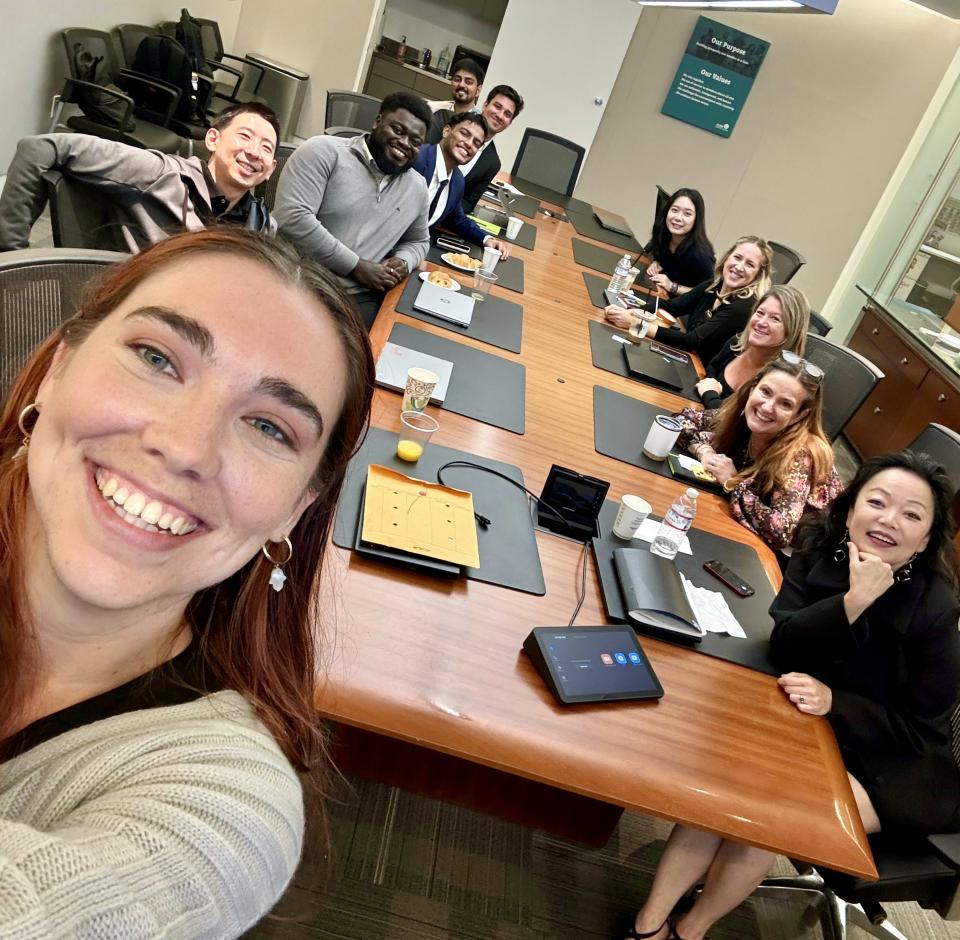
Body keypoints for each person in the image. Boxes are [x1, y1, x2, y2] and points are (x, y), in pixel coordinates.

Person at [0, 228, 374, 935]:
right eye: (155, 358)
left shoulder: (228, 802)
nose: (184, 447)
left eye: (270, 427)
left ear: (295, 509)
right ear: (57, 368)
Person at [625, 452, 960, 940]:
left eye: (912, 514)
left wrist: (836, 701)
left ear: (927, 538)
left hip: (892, 757)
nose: (889, 521)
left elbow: (923, 723)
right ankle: (648, 926)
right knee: (726, 791)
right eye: (878, 502)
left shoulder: (935, 607)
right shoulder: (819, 546)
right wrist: (854, 601)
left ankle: (690, 931)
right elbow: (784, 642)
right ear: (850, 509)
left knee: (769, 813)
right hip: (807, 717)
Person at [0, 102, 280, 252]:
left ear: (271, 168)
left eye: (266, 148)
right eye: (245, 136)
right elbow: (38, 148)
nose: (254, 152)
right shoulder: (160, 173)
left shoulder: (262, 227)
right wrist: (13, 254)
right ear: (212, 140)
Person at [273, 90, 432, 329]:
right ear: (377, 121)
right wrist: (356, 266)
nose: (404, 143)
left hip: (359, 297)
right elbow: (293, 217)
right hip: (297, 284)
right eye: (398, 130)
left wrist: (403, 261)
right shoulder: (324, 151)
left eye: (415, 142)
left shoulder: (417, 188)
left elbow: (419, 242)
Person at [674, 354, 842, 552]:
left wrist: (732, 481)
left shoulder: (800, 454)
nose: (767, 407)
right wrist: (705, 452)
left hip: (800, 558)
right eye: (765, 392)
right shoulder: (742, 414)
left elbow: (780, 531)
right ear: (753, 387)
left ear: (800, 415)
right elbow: (681, 420)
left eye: (785, 404)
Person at [604, 236, 773, 365]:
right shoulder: (715, 284)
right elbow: (671, 306)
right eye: (737, 257)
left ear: (758, 275)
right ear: (727, 257)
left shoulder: (743, 306)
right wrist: (632, 312)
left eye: (750, 264)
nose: (739, 267)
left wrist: (637, 323)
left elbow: (692, 341)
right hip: (686, 358)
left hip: (699, 372)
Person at [411, 112, 510, 258]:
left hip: (413, 252)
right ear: (446, 131)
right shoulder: (416, 158)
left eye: (476, 143)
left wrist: (486, 239)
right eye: (465, 134)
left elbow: (457, 219)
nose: (469, 144)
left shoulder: (456, 180)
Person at [695, 285, 810, 409]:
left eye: (775, 318)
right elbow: (713, 367)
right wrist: (710, 385)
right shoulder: (737, 343)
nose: (761, 322)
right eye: (760, 313)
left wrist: (710, 394)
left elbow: (738, 422)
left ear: (791, 330)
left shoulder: (780, 380)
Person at [428, 84, 524, 215]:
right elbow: (417, 158)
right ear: (485, 105)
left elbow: (468, 204)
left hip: (438, 219)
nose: (500, 116)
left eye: (507, 114)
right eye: (497, 106)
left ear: (510, 122)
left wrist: (440, 210)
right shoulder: (445, 120)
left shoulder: (492, 163)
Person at [644, 188, 715, 296]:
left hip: (681, 309)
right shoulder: (663, 233)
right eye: (674, 210)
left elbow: (708, 292)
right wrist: (656, 261)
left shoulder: (701, 256)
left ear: (696, 219)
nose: (678, 218)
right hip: (660, 296)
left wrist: (672, 286)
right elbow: (658, 254)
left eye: (687, 214)